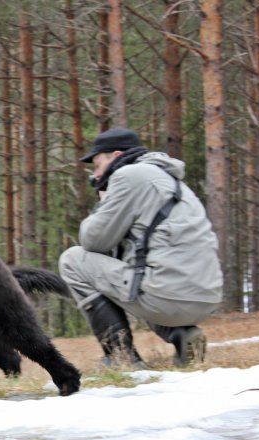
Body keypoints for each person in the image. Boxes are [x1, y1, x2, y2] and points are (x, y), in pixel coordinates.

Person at [59, 127, 223, 369]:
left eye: (97, 164)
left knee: (73, 260)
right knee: (136, 271)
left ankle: (122, 357)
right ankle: (182, 334)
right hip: (205, 297)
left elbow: (93, 241)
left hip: (169, 297)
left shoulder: (128, 176)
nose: (95, 175)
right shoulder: (170, 180)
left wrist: (102, 205)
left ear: (115, 156)